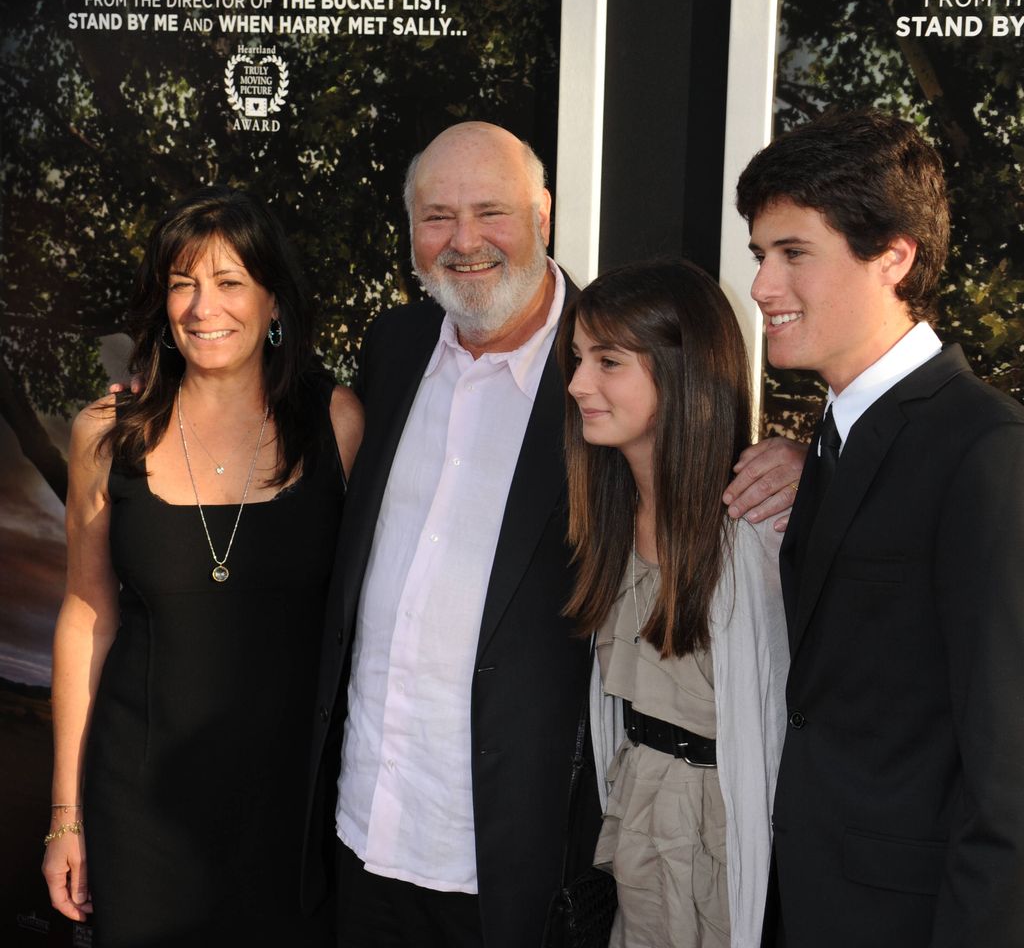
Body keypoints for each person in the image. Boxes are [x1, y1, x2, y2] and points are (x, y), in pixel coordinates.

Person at [301, 121, 804, 948]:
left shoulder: (608, 368)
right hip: (364, 835)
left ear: (542, 213)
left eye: (490, 211)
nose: (464, 242)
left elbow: (696, 452)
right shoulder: (392, 348)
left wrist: (806, 461)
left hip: (521, 866)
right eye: (436, 217)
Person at [42, 186, 363, 947]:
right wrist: (65, 816)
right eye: (183, 284)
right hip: (140, 808)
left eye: (228, 283)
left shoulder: (338, 423)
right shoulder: (105, 435)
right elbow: (86, 615)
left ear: (273, 302)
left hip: (294, 815)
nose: (201, 307)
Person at [736, 108, 1024, 947]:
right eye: (762, 256)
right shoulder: (834, 438)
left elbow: (1008, 782)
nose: (762, 288)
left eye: (794, 254)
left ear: (893, 255)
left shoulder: (985, 450)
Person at [559, 260, 789, 947]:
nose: (576, 384)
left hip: (727, 841)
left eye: (608, 361)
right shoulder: (607, 520)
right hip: (634, 821)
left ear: (680, 369)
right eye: (577, 358)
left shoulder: (756, 531)